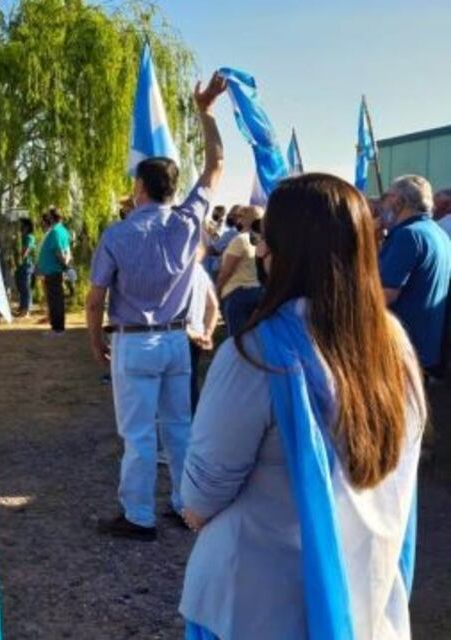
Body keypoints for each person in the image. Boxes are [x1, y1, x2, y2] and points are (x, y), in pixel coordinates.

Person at [180, 174, 424, 639]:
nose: (261, 250)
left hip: (254, 603)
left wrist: (194, 513)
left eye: (265, 239)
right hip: (363, 598)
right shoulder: (396, 350)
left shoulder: (254, 356)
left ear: (283, 252)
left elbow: (200, 496)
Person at [86, 71, 226, 541]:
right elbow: (216, 168)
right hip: (176, 340)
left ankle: (138, 515)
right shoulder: (188, 222)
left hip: (135, 342)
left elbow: (95, 298)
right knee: (180, 428)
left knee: (139, 434)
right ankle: (185, 505)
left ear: (141, 189)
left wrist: (93, 340)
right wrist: (206, 115)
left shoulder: (118, 234)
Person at [378, 175, 451, 376]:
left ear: (399, 201)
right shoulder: (438, 233)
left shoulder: (407, 235)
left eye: (387, 196)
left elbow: (385, 294)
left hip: (401, 348)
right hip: (425, 349)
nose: (383, 204)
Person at [216, 205, 264, 337]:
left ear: (245, 219)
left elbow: (226, 271)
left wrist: (217, 290)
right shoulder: (264, 242)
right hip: (259, 293)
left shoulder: (240, 240)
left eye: (240, 216)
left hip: (237, 295)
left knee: (237, 341)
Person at [186, 244, 220, 412]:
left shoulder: (178, 274)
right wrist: (208, 333)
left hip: (183, 335)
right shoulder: (201, 272)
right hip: (199, 334)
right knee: (192, 382)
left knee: (181, 387)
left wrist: (191, 333)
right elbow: (213, 306)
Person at [36, 207, 72, 335]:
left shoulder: (56, 231)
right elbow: (66, 250)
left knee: (55, 300)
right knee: (55, 299)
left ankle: (58, 328)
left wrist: (65, 267)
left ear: (52, 217)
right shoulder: (63, 231)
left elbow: (59, 252)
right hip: (53, 271)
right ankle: (56, 327)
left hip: (53, 271)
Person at [15, 217, 36, 316]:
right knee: (20, 286)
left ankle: (26, 309)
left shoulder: (29, 237)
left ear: (26, 227)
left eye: (21, 225)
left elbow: (26, 250)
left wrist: (21, 254)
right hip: (20, 265)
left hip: (27, 265)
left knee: (25, 287)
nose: (20, 227)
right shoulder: (22, 237)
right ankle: (22, 306)